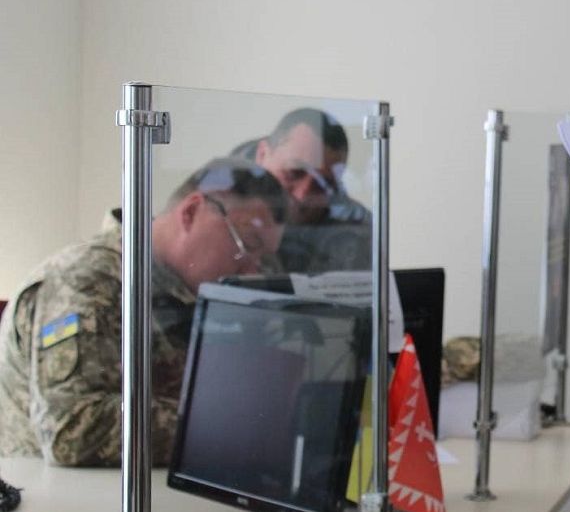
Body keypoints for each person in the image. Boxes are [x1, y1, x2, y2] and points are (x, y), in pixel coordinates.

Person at [0, 157, 287, 466]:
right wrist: (228, 426)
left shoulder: (190, 291)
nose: (251, 269)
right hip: (57, 491)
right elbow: (73, 430)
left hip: (151, 483)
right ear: (191, 211)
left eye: (263, 258)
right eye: (246, 244)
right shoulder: (86, 280)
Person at [232, 107, 371, 274]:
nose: (303, 195)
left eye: (322, 185)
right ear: (262, 155)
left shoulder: (357, 228)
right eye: (293, 173)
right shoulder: (216, 207)